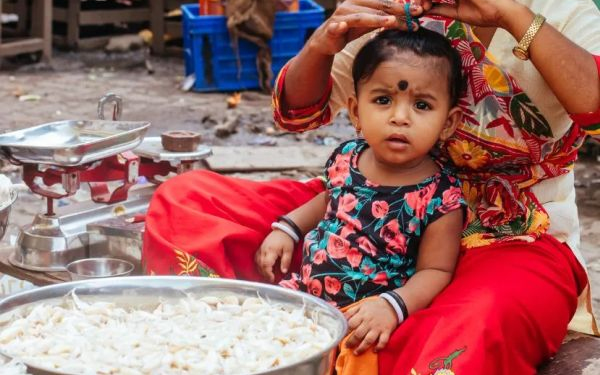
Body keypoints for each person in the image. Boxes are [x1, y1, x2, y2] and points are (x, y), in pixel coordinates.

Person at [143, 0, 600, 373]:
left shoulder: (567, 11)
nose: (400, 115)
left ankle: (344, 341)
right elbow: (296, 112)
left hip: (513, 234)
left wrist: (514, 17)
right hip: (370, 201)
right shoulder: (403, 6)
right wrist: (324, 41)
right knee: (186, 201)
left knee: (476, 325)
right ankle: (242, 341)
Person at [256, 27, 466, 369]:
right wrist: (287, 228)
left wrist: (392, 306)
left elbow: (436, 270)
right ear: (355, 111)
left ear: (448, 122)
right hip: (305, 295)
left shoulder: (440, 197)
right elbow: (330, 199)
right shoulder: (347, 157)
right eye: (383, 100)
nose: (400, 117)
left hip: (365, 320)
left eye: (422, 105)